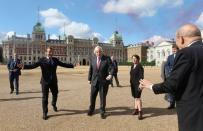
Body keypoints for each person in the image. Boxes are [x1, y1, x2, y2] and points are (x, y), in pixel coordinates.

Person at [139, 24, 203, 131]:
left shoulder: (185, 53)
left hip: (194, 112)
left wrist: (151, 86)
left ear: (181, 38)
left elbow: (173, 84)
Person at [20, 47, 74, 120]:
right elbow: (33, 65)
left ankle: (53, 103)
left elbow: (63, 64)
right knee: (45, 98)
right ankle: (45, 113)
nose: (50, 53)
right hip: (45, 82)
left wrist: (72, 66)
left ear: (52, 52)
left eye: (51, 52)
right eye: (48, 52)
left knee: (55, 94)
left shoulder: (55, 60)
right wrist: (24, 66)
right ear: (46, 52)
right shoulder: (42, 60)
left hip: (53, 81)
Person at [87, 46, 114, 119]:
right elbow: (91, 69)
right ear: (95, 52)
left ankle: (102, 111)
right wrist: (89, 78)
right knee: (92, 96)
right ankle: (91, 109)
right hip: (94, 81)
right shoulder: (93, 59)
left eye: (99, 51)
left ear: (102, 52)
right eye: (97, 52)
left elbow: (111, 67)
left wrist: (110, 74)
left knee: (102, 97)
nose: (98, 53)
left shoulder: (107, 58)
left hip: (103, 81)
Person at [165, 44, 179, 109]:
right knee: (171, 90)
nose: (174, 50)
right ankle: (171, 104)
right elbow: (167, 65)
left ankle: (179, 105)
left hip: (179, 76)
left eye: (175, 49)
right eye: (173, 49)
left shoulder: (181, 56)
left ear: (178, 49)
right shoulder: (169, 57)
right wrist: (169, 71)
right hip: (171, 76)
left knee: (178, 90)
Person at [130, 55, 144, 120]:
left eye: (135, 59)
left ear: (138, 59)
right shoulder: (132, 65)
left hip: (138, 84)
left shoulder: (140, 66)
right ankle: (136, 110)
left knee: (138, 98)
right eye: (133, 59)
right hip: (133, 84)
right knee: (135, 97)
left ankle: (140, 112)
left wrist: (140, 84)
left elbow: (141, 76)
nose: (134, 60)